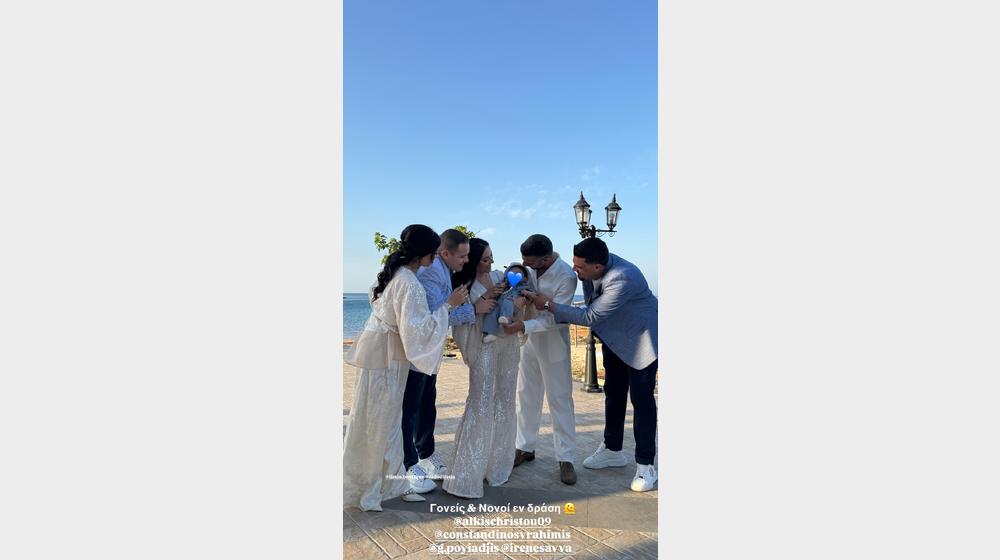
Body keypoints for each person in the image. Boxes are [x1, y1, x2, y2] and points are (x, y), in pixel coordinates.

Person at [342, 225, 468, 511]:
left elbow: (378, 300)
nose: (435, 258)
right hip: (388, 358)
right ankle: (374, 485)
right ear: (423, 254)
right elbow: (417, 329)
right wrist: (449, 305)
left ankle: (387, 482)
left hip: (381, 351)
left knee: (380, 419)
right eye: (433, 253)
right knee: (384, 421)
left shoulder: (396, 274)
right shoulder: (409, 283)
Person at [521, 237, 658, 492]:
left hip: (641, 341)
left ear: (598, 267)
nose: (574, 269)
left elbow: (590, 314)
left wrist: (548, 304)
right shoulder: (589, 270)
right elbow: (592, 305)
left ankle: (646, 465)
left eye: (579, 267)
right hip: (614, 338)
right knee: (614, 394)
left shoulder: (623, 277)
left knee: (642, 402)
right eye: (574, 263)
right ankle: (612, 450)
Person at [443, 240, 524, 498]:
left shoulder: (501, 276)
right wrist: (480, 304)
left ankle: (498, 466)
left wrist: (518, 306)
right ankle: (467, 473)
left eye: (492, 257)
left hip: (508, 345)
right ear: (472, 260)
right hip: (483, 347)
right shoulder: (463, 287)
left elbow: (519, 298)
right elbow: (450, 318)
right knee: (481, 401)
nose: (491, 263)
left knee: (506, 400)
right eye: (485, 259)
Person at [401, 229, 476, 495]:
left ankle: (425, 455)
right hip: (416, 355)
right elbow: (433, 318)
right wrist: (470, 309)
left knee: (426, 405)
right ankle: (409, 464)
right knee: (411, 409)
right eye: (463, 256)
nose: (466, 260)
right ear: (444, 253)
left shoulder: (442, 270)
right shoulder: (431, 273)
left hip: (429, 354)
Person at [501, 234, 579, 485]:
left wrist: (524, 325)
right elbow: (516, 275)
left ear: (545, 260)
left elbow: (557, 317)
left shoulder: (567, 276)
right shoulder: (530, 267)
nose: (526, 265)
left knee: (560, 399)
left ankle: (566, 457)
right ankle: (525, 446)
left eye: (530, 262)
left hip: (553, 342)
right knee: (526, 394)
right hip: (529, 341)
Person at [482, 263, 534, 343]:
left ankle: (507, 319)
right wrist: (501, 286)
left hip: (511, 301)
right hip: (499, 303)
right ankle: (490, 333)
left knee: (508, 303)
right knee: (492, 312)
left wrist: (526, 294)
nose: (514, 276)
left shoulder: (523, 287)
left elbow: (531, 295)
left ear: (524, 278)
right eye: (511, 273)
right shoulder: (505, 285)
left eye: (518, 274)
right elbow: (498, 290)